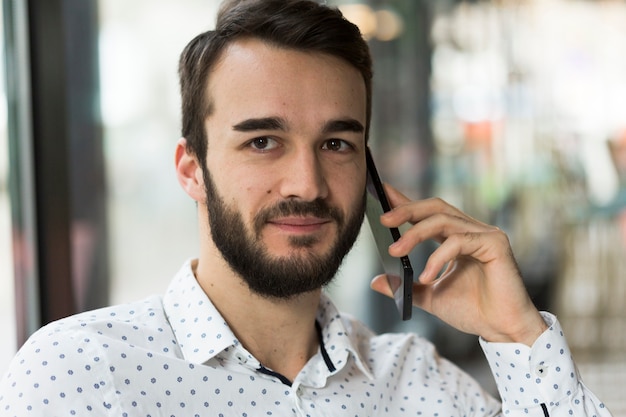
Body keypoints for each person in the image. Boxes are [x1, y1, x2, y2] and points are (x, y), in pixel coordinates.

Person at [0, 1, 613, 416]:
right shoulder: (81, 373)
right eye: (262, 141)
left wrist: (517, 335)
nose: (308, 182)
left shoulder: (418, 385)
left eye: (337, 143)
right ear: (192, 168)